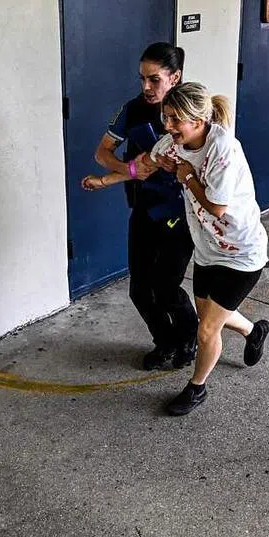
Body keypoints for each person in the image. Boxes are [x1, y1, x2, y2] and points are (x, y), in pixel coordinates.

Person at [150, 82, 269, 416]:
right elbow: (152, 158)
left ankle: (197, 388)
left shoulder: (223, 149)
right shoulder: (176, 142)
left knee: (206, 330)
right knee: (210, 318)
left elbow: (217, 207)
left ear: (198, 120)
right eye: (165, 117)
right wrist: (115, 175)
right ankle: (254, 331)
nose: (168, 125)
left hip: (241, 252)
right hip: (207, 248)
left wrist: (187, 177)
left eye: (175, 119)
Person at [80, 43, 198, 371]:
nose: (146, 86)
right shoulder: (132, 110)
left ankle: (189, 338)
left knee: (167, 287)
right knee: (140, 290)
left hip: (182, 215)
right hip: (145, 208)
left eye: (154, 79)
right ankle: (165, 341)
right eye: (142, 79)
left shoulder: (191, 114)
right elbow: (102, 153)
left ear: (175, 78)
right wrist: (131, 170)